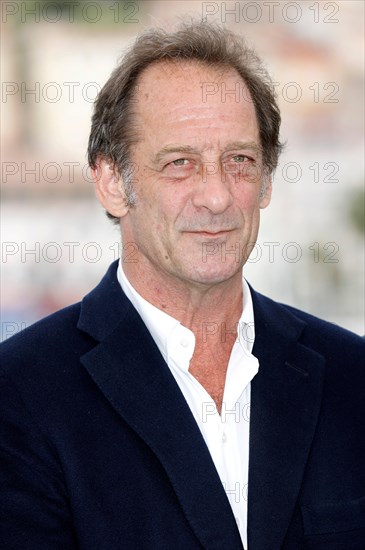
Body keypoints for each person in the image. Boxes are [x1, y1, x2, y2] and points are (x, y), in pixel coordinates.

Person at [1, 21, 364, 550]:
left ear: (265, 181)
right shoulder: (20, 397)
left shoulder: (351, 379)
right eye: (180, 164)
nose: (216, 196)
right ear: (111, 183)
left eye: (239, 161)